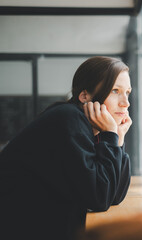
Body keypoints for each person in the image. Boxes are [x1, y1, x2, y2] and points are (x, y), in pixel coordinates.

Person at [0, 56, 132, 240]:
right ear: (84, 96)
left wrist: (118, 137)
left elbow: (114, 195)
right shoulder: (68, 119)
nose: (125, 103)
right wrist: (110, 134)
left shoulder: (84, 126)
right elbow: (100, 198)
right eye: (115, 90)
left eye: (127, 92)